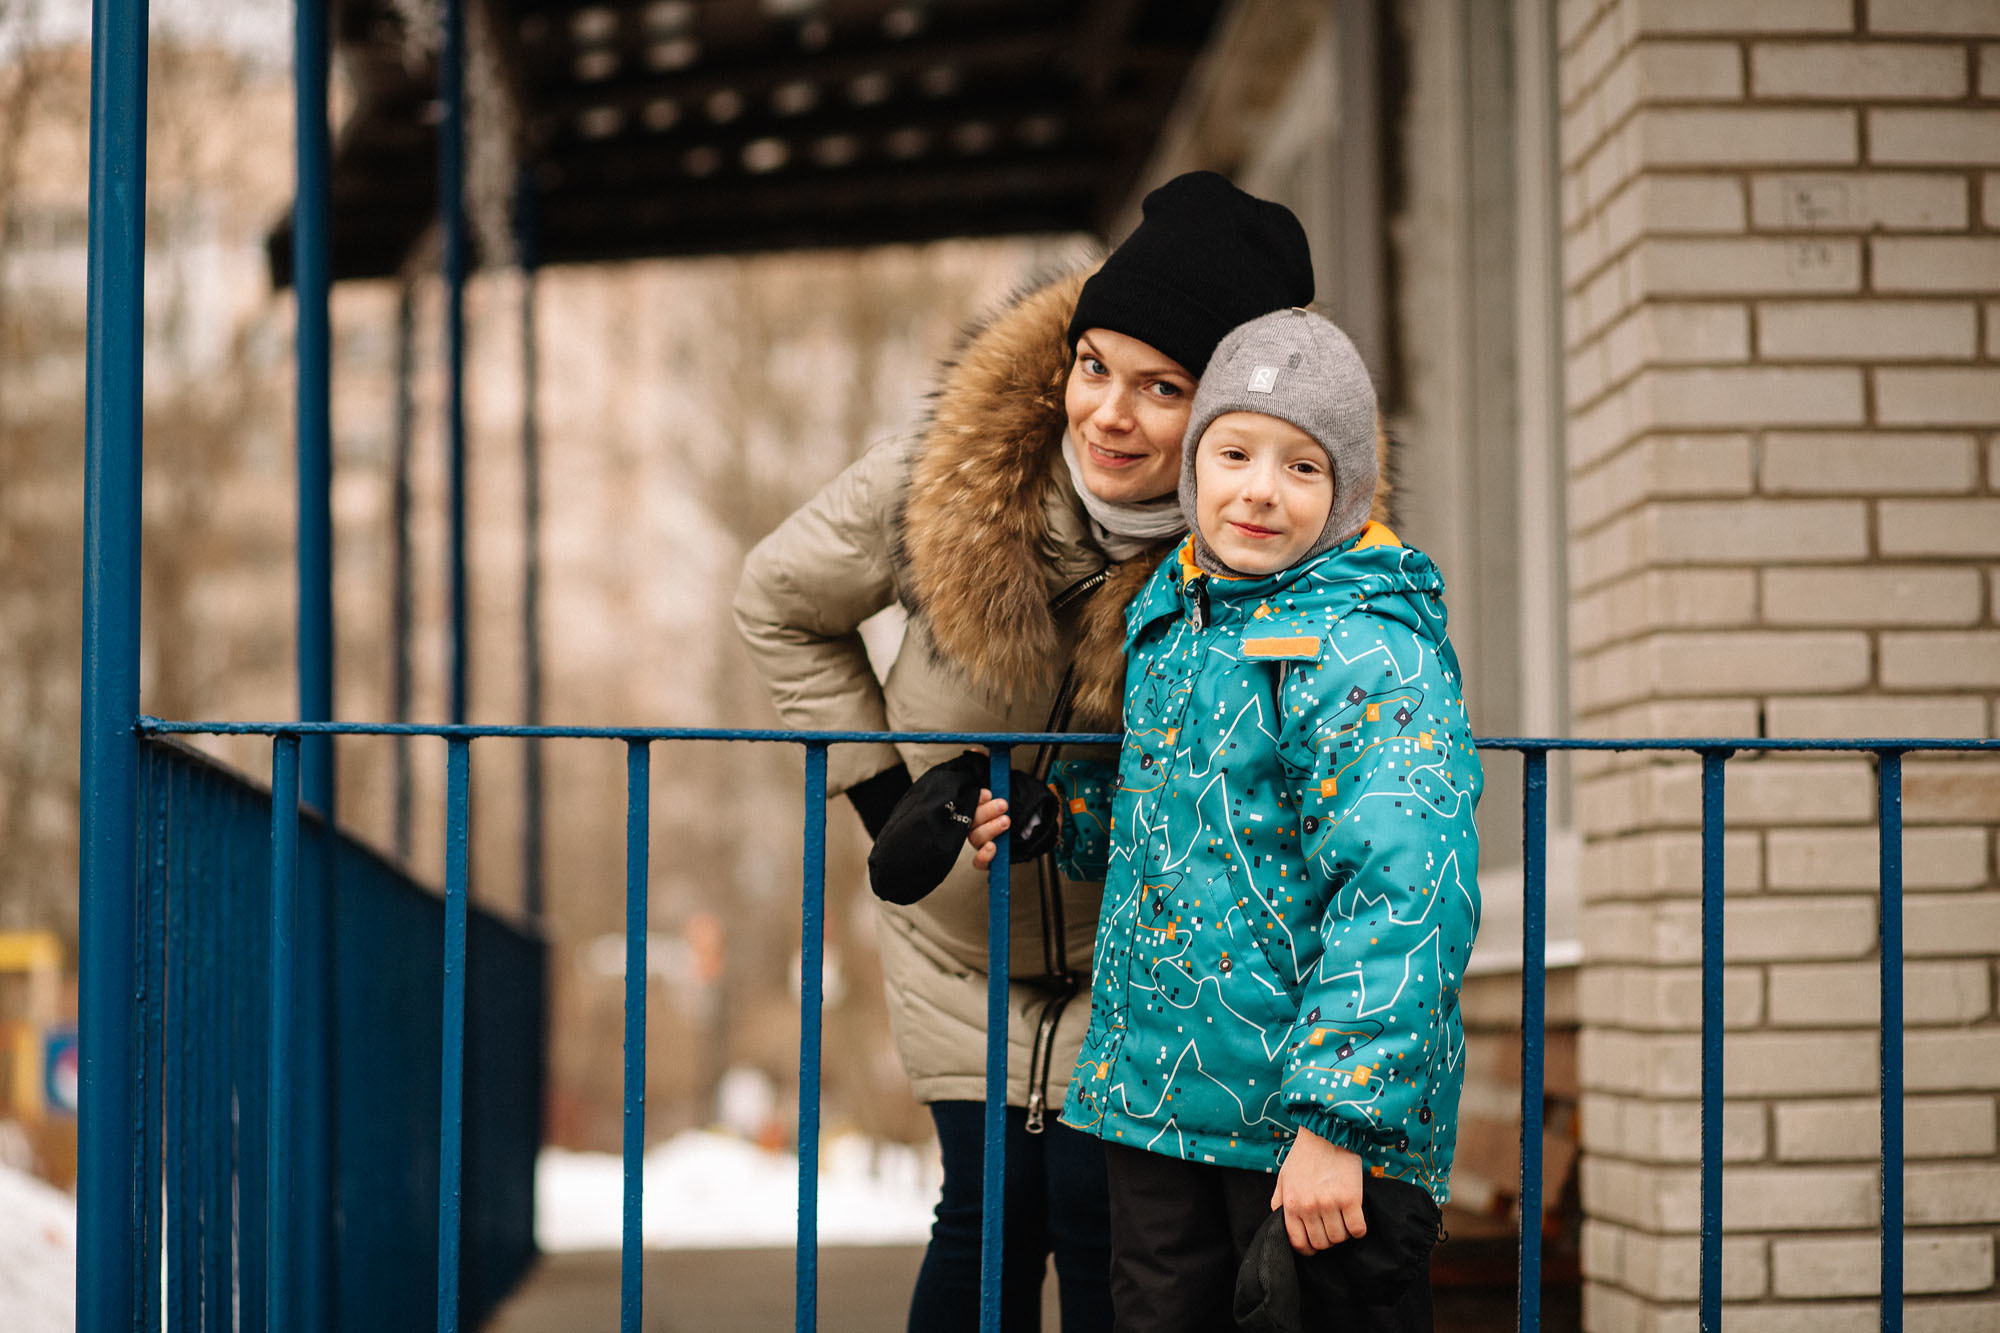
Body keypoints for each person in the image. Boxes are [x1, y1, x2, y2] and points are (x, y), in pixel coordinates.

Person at [732, 173, 1317, 1331]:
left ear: (1226, 414)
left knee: (1099, 1217)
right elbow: (778, 601)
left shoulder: (1268, 546)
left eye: (1160, 388)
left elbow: (1286, 764)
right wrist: (889, 801)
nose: (1106, 415)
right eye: (1093, 366)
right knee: (988, 1207)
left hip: (1137, 957)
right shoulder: (950, 475)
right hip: (956, 945)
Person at [971, 309, 1480, 1332]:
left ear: (1348, 491)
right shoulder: (1175, 618)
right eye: (1234, 453)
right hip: (1160, 1109)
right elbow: (1185, 817)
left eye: (1301, 466)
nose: (1258, 489)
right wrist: (1057, 818)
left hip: (1302, 1137)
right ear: (1194, 465)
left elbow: (1405, 891)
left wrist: (1338, 1121)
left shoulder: (1365, 645)